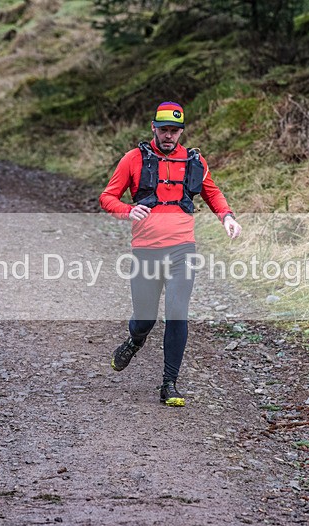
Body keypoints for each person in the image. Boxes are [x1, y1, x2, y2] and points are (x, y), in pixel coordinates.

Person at [99, 101, 242, 407]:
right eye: (163, 129)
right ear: (154, 128)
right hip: (146, 252)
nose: (168, 136)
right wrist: (128, 210)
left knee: (177, 312)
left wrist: (226, 216)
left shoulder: (194, 160)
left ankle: (169, 384)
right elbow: (107, 197)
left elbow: (212, 192)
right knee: (144, 319)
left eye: (174, 131)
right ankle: (135, 340)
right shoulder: (133, 159)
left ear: (180, 132)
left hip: (182, 250)